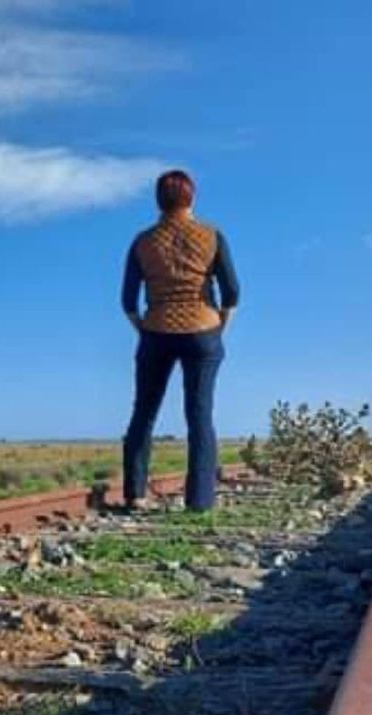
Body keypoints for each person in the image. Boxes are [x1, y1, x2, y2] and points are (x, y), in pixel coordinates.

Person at [121, 170, 240, 511]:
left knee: (143, 411)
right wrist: (219, 328)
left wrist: (144, 328)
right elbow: (232, 292)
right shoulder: (212, 235)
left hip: (156, 330)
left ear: (159, 200)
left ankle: (135, 493)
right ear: (193, 197)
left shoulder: (143, 241)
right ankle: (200, 501)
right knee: (199, 414)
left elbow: (128, 300)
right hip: (203, 330)